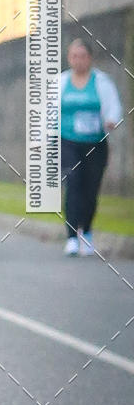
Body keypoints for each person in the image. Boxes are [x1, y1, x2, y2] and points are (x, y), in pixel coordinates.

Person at [61, 38, 122, 257]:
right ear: (69, 58)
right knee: (73, 183)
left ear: (90, 58)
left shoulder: (102, 82)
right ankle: (70, 237)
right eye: (74, 56)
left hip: (95, 143)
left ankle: (86, 232)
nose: (78, 61)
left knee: (90, 189)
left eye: (82, 56)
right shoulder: (61, 82)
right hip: (68, 141)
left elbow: (114, 108)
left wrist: (111, 120)